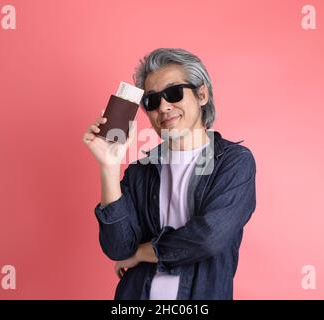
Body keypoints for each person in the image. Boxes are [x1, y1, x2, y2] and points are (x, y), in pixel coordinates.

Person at [83, 48, 256, 299]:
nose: (163, 106)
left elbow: (208, 237)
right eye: (152, 100)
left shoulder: (233, 162)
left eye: (173, 93)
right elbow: (119, 248)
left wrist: (142, 253)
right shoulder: (140, 171)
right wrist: (109, 167)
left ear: (202, 94)